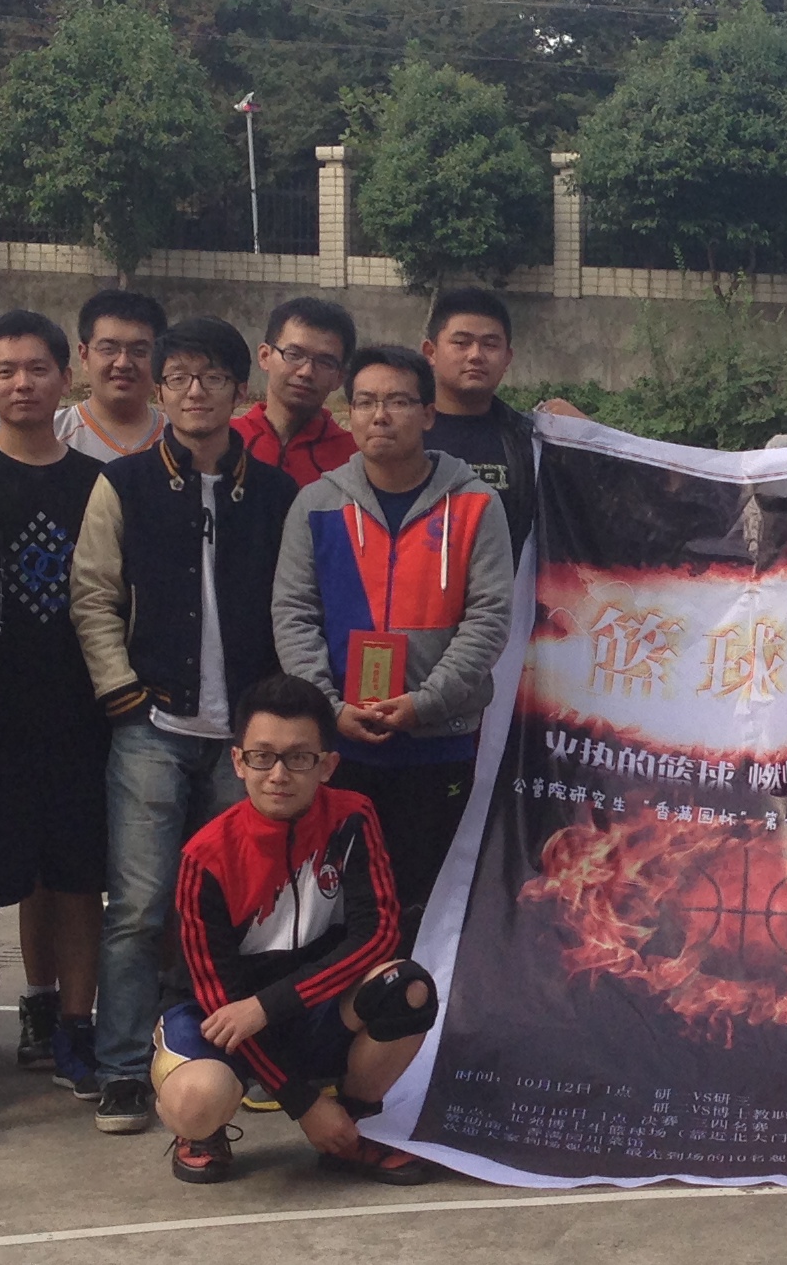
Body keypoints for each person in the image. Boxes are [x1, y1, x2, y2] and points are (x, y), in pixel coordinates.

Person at [72, 317, 299, 1138]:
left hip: (245, 742)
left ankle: (234, 1057)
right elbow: (93, 595)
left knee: (239, 908)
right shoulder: (124, 484)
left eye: (212, 378)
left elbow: (294, 606)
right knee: (138, 904)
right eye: (179, 378)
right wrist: (121, 692)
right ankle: (121, 1065)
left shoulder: (276, 495)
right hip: (153, 725)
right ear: (160, 390)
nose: (194, 392)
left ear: (241, 390)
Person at [152, 674, 436, 1186]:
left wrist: (270, 1006)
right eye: (262, 757)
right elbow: (221, 1003)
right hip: (221, 1019)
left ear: (327, 765)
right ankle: (203, 1132)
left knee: (408, 988)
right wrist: (303, 1104)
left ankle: (351, 1129)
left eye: (299, 757)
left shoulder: (353, 818)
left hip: (304, 1006)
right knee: (195, 1102)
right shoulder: (204, 856)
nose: (279, 774)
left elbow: (377, 935)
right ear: (238, 762)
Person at [272, 345, 513, 924]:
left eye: (398, 402)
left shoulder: (476, 504)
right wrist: (329, 709)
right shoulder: (316, 504)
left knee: (421, 906)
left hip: (439, 741)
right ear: (349, 413)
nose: (379, 415)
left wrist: (426, 703)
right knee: (332, 904)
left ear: (428, 414)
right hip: (338, 745)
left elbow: (488, 618)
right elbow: (294, 613)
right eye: (365, 402)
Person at [0, 311, 110, 1101]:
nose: (23, 384)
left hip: (79, 716)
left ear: (66, 378)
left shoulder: (99, 484)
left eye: (38, 369)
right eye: (7, 371)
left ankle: (76, 1027)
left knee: (79, 882)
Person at [418, 284, 584, 557]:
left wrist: (586, 435)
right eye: (461, 342)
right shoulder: (403, 433)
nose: (475, 355)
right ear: (430, 352)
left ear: (507, 358)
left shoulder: (529, 441)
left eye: (490, 345)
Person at [235, 295, 359, 487]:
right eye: (294, 355)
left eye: (325, 362)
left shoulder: (356, 460)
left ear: (340, 377)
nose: (306, 372)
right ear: (265, 356)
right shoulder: (224, 441)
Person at [57, 288, 166, 464]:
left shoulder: (181, 439)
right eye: (108, 349)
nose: (122, 363)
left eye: (139, 351)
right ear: (84, 356)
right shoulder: (52, 435)